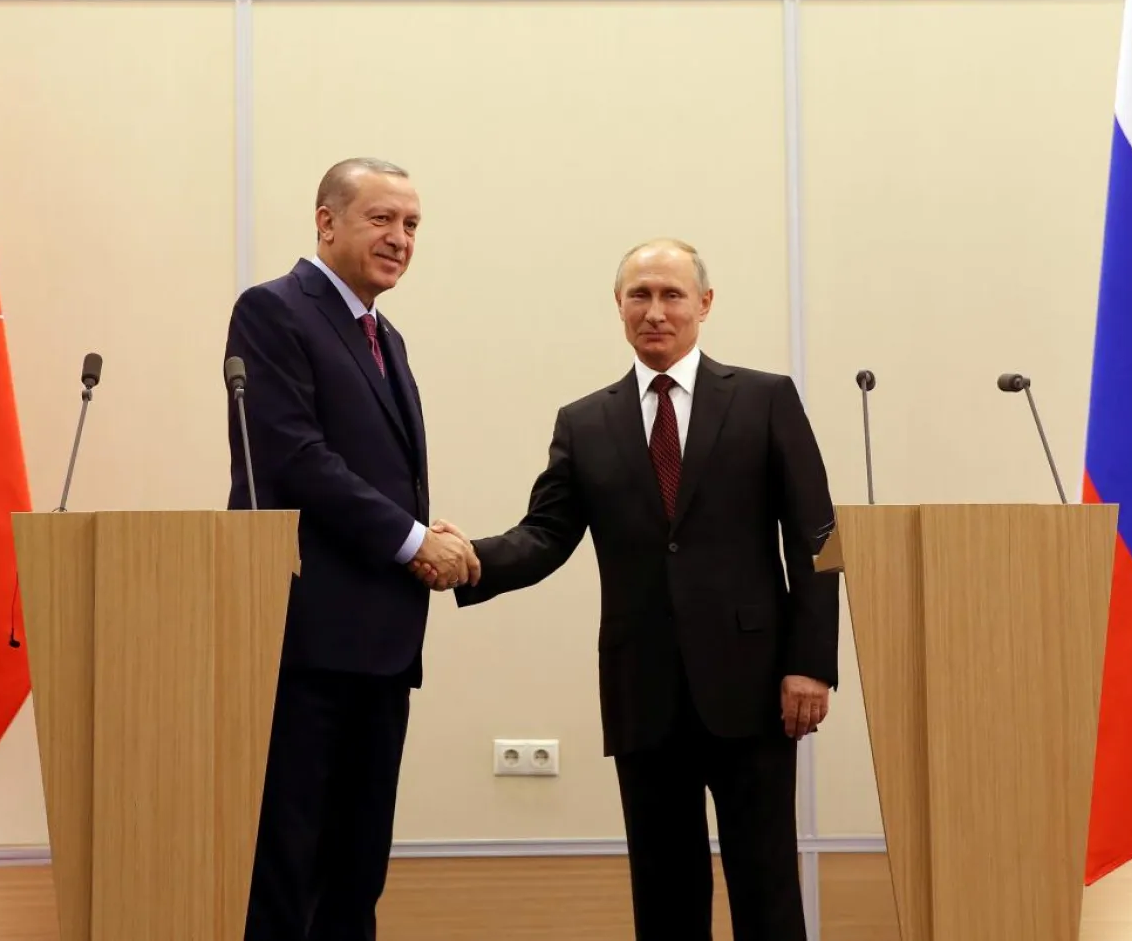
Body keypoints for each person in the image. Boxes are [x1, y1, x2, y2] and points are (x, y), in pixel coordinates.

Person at [425, 238, 839, 941]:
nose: (655, 311)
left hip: (755, 687)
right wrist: (469, 561)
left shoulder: (765, 399)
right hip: (643, 688)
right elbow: (545, 535)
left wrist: (811, 665)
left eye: (672, 295)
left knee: (766, 887)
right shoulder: (585, 422)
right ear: (617, 306)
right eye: (639, 295)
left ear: (704, 304)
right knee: (664, 892)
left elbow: (815, 543)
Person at [224, 157, 478, 941]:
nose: (400, 238)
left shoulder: (384, 336)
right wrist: (414, 542)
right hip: (304, 641)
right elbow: (295, 458)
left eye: (412, 224)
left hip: (381, 646)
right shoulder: (274, 311)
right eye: (382, 218)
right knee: (289, 872)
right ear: (326, 222)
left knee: (357, 871)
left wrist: (425, 542)